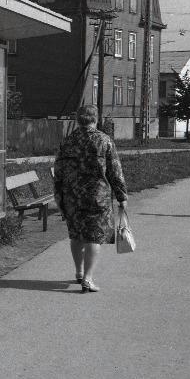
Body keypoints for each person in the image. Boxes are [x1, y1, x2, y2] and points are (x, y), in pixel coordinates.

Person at [53, 104, 128, 293]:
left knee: (77, 235)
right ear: (96, 119)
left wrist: (59, 197)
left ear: (77, 119)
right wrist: (122, 195)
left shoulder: (68, 141)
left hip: (72, 198)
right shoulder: (104, 141)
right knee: (93, 237)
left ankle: (78, 272)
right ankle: (88, 278)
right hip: (97, 197)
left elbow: (58, 173)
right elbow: (115, 171)